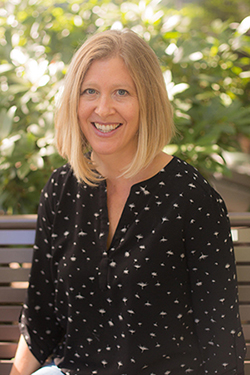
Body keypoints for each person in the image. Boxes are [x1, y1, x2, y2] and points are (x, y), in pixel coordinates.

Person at [10, 29, 246, 375]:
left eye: (122, 92)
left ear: (147, 101)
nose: (103, 109)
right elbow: (40, 320)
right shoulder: (62, 188)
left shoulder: (191, 198)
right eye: (89, 91)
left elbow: (220, 341)